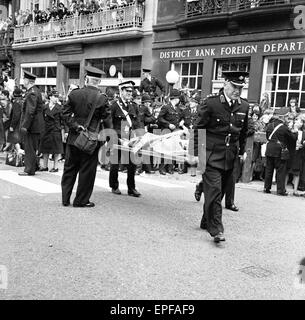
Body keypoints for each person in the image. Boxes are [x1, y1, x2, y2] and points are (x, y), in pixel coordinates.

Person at [189, 71, 250, 243]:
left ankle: (205, 221)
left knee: (220, 191)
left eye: (240, 87)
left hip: (229, 156)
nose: (237, 91)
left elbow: (243, 132)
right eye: (234, 87)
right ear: (225, 84)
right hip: (210, 154)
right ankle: (216, 229)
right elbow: (198, 129)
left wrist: (241, 152)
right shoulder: (211, 103)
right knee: (214, 192)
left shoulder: (244, 106)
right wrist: (195, 154)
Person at [61, 66, 111, 208]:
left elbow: (64, 115)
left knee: (69, 168)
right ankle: (81, 200)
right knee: (87, 172)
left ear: (87, 79)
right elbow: (107, 121)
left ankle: (65, 199)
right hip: (91, 139)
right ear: (98, 81)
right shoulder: (102, 98)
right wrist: (108, 139)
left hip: (74, 138)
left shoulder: (74, 94)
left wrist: (75, 126)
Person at [109, 80, 142, 197]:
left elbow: (137, 122)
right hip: (118, 138)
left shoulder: (134, 106)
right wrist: (116, 138)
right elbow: (110, 123)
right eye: (127, 91)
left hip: (131, 139)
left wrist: (140, 136)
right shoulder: (114, 105)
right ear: (121, 91)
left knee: (132, 163)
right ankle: (114, 185)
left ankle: (131, 188)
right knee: (115, 163)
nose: (130, 93)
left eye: (131, 91)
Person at [264, 111, 297, 196]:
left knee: (268, 170)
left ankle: (266, 188)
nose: (287, 119)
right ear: (283, 118)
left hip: (269, 148)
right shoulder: (284, 127)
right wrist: (295, 132)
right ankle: (280, 190)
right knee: (280, 171)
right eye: (286, 117)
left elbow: (267, 137)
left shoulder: (270, 125)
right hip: (279, 150)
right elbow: (293, 138)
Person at [19, 71, 44, 176]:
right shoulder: (35, 91)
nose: (23, 81)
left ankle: (29, 169)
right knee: (32, 147)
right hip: (36, 125)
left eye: (24, 79)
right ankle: (33, 167)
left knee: (30, 148)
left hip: (32, 126)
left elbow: (30, 111)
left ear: (28, 81)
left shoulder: (32, 92)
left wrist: (25, 126)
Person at [157, 88, 182, 175]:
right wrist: (168, 124)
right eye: (178, 98)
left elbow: (179, 118)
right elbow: (159, 118)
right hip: (166, 131)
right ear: (175, 99)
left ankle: (170, 168)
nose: (179, 100)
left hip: (175, 132)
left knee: (173, 150)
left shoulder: (178, 109)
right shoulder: (166, 107)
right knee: (166, 150)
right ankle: (162, 168)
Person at [39, 90, 64, 173]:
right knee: (45, 148)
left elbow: (63, 120)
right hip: (46, 129)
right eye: (54, 96)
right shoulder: (44, 107)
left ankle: (55, 167)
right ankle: (45, 166)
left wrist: (64, 130)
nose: (56, 98)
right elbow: (41, 118)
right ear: (50, 97)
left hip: (55, 129)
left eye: (57, 97)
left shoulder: (60, 108)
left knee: (56, 150)